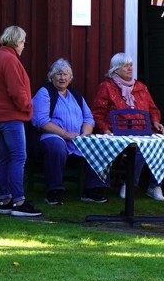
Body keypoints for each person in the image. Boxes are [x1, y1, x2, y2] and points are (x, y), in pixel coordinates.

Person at [31, 59, 111, 205]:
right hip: (52, 135)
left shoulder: (76, 94)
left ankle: (93, 190)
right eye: (58, 74)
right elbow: (41, 121)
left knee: (99, 145)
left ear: (70, 78)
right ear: (51, 77)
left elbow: (88, 118)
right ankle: (54, 191)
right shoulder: (45, 92)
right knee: (56, 146)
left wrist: (85, 135)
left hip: (77, 138)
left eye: (65, 74)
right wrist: (65, 134)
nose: (62, 77)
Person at [90, 52, 164, 201]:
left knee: (162, 145)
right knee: (139, 149)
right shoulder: (107, 87)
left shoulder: (141, 87)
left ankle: (155, 186)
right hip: (118, 133)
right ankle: (131, 184)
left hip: (143, 131)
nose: (130, 68)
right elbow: (97, 113)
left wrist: (156, 121)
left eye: (131, 65)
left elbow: (153, 109)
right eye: (125, 66)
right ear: (116, 69)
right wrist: (105, 130)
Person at [0, 25, 41, 217]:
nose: (24, 45)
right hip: (11, 117)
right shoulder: (10, 60)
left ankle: (5, 200)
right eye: (23, 41)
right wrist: (28, 107)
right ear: (16, 41)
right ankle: (18, 201)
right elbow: (16, 91)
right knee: (19, 157)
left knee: (7, 159)